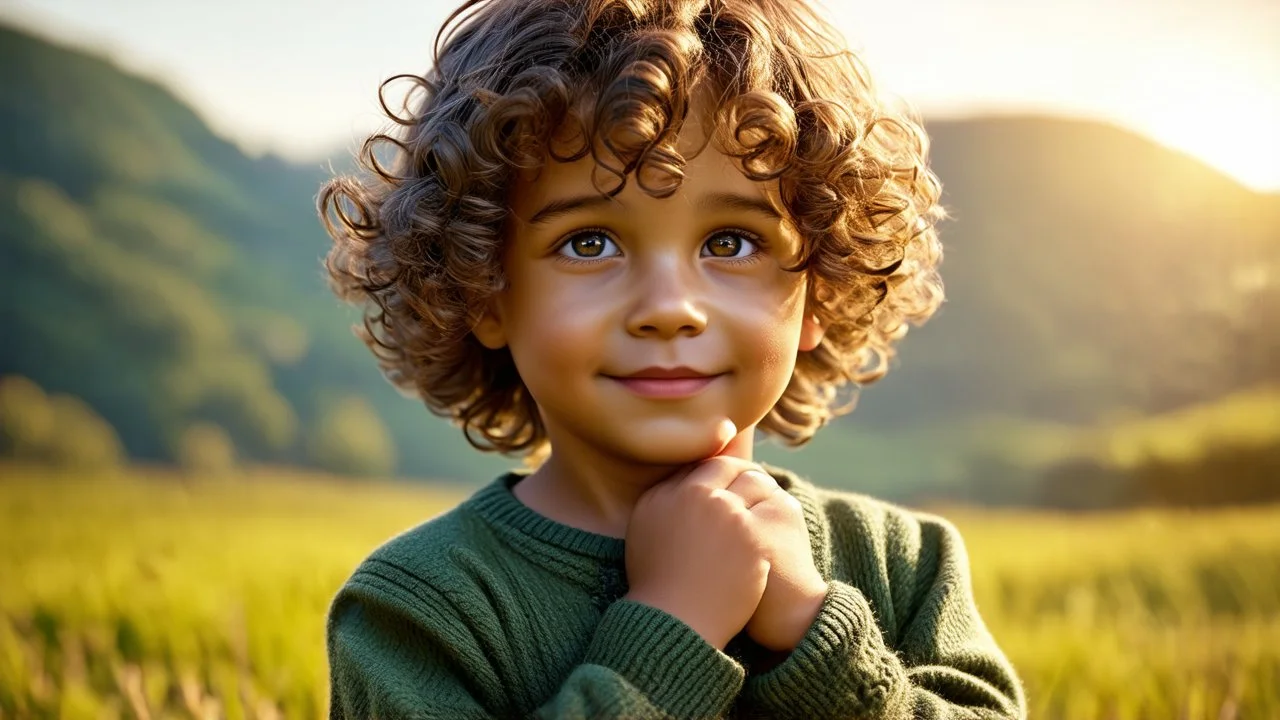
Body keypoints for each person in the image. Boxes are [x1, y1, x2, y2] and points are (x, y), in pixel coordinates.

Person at [318, 0, 1025, 717]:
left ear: (821, 289)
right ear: (483, 291)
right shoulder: (418, 610)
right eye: (590, 243)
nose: (669, 306)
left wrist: (815, 633)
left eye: (731, 243)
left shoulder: (903, 563)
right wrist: (669, 633)